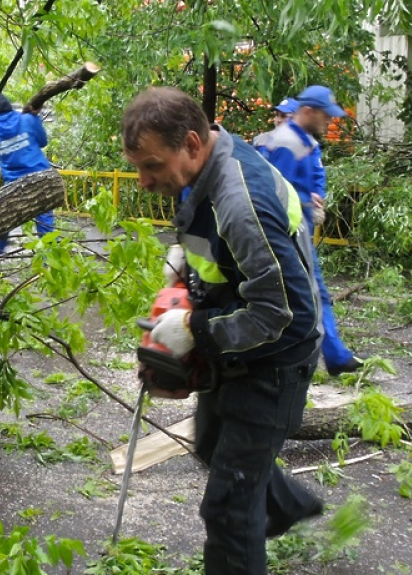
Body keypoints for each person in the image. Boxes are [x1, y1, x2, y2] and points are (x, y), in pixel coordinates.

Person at [122, 86, 324, 575]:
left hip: (276, 362)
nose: (144, 181)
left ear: (192, 143)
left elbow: (283, 314)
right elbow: (223, 253)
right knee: (211, 444)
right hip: (240, 348)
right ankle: (287, 506)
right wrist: (188, 271)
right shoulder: (203, 167)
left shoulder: (240, 202)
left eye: (152, 165)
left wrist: (194, 329)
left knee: (228, 511)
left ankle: (251, 519)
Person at [257, 85, 365, 376]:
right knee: (308, 294)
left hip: (295, 229)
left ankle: (333, 355)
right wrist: (305, 203)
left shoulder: (305, 142)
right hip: (286, 232)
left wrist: (315, 198)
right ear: (308, 111)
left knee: (311, 294)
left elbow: (310, 179)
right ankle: (325, 356)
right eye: (326, 115)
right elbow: (272, 191)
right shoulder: (285, 143)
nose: (330, 121)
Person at [0, 93, 54, 257]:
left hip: (14, 186)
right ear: (9, 104)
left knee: (3, 224)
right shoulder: (28, 120)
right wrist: (35, 119)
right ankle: (50, 266)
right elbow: (43, 142)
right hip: (41, 180)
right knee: (45, 226)